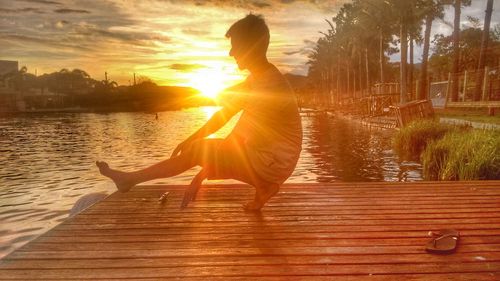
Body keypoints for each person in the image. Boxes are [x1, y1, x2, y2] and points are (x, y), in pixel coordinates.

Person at [96, 14, 302, 211]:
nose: (231, 53)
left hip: (274, 161)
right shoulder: (259, 79)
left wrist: (201, 175)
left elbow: (236, 142)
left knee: (199, 151)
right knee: (197, 148)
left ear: (250, 47)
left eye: (235, 46)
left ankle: (129, 180)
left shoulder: (268, 87)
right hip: (275, 158)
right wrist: (191, 138)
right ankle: (265, 188)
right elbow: (224, 115)